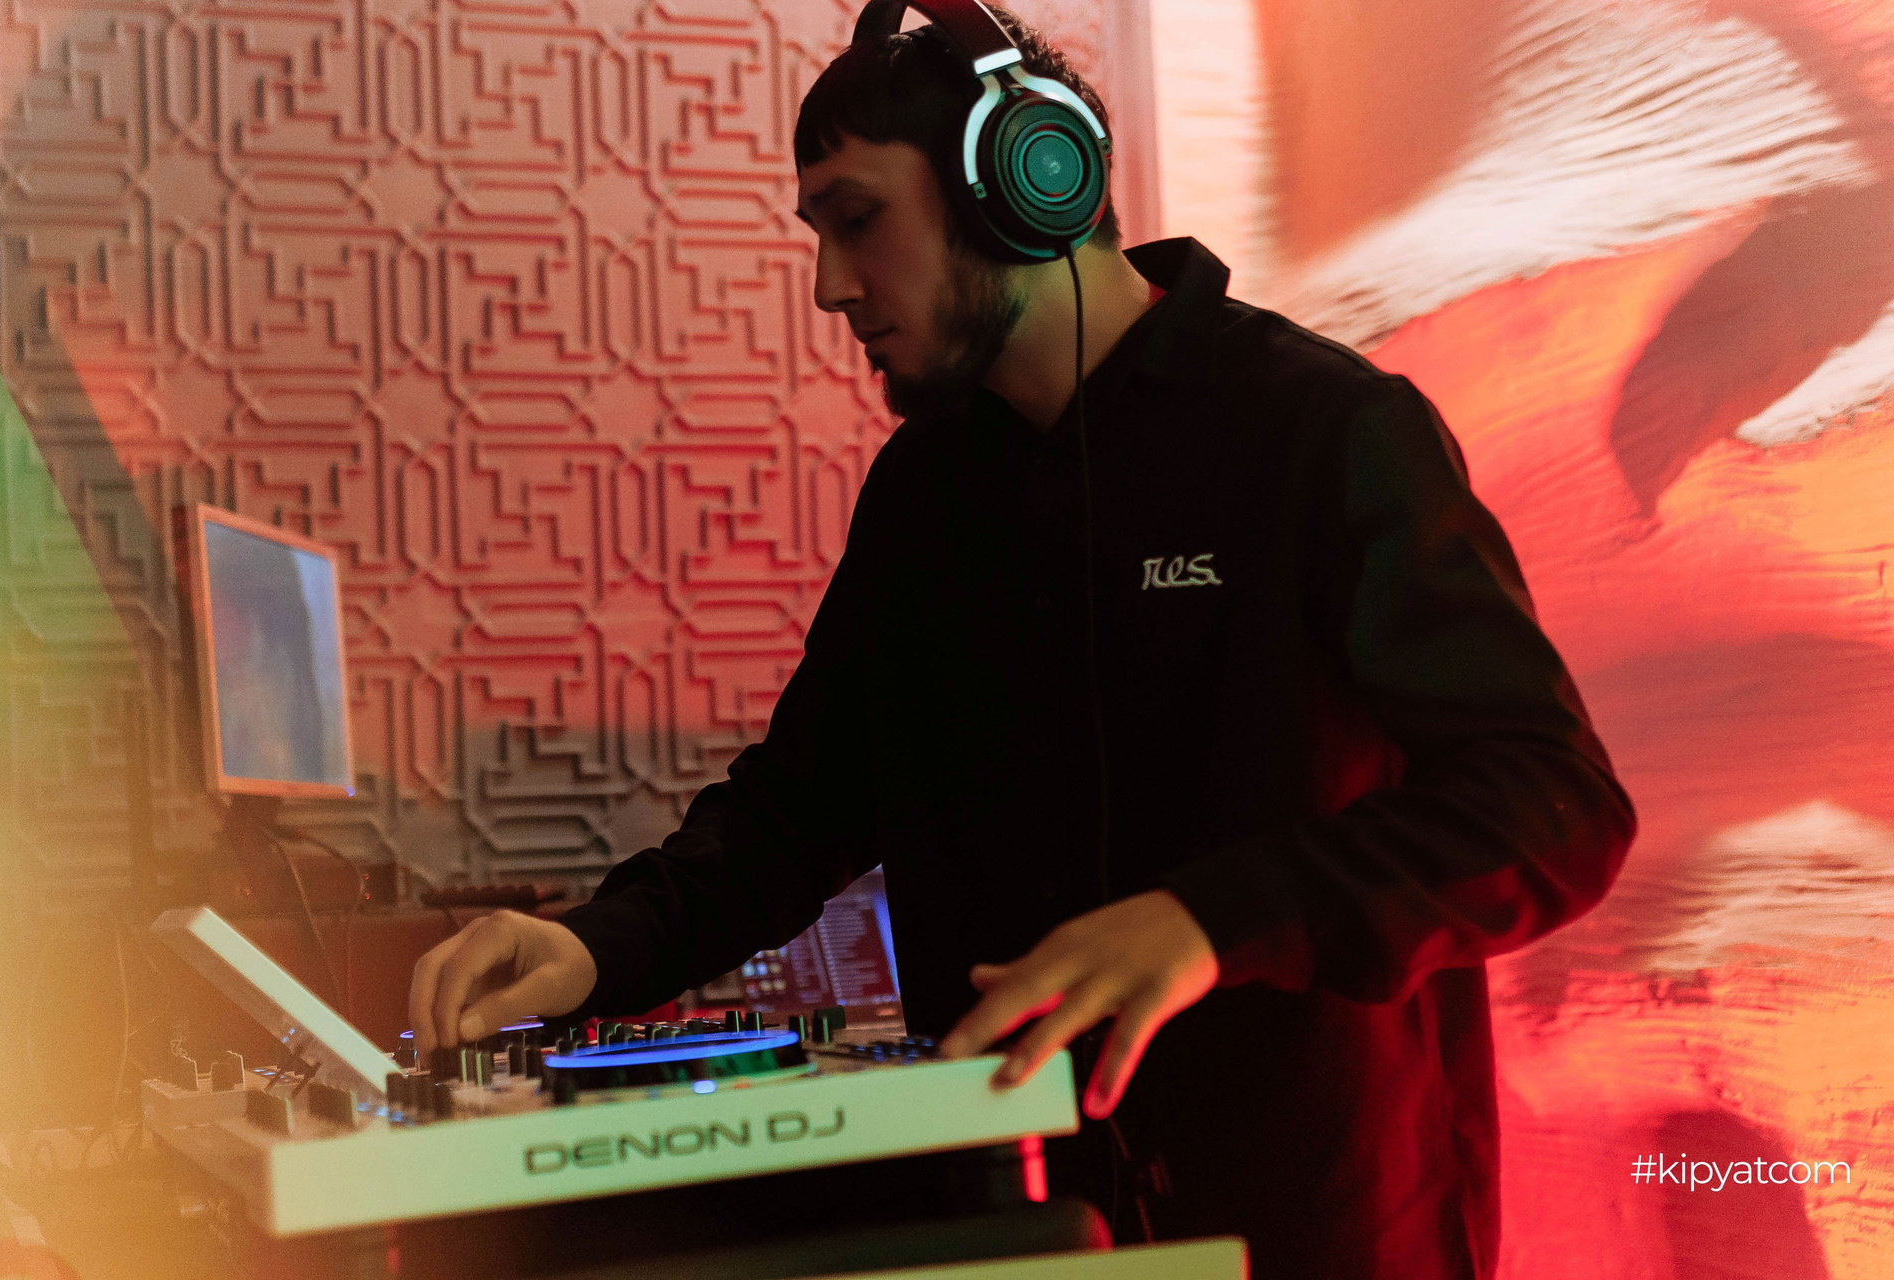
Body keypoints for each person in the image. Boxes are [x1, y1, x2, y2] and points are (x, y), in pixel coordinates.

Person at [407, 6, 1637, 1275]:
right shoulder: (925, 492)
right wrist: (594, 944)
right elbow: (797, 811)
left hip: (1320, 1217)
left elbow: (1549, 803)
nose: (830, 284)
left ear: (1025, 182)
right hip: (1024, 1209)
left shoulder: (1321, 430)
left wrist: (1207, 920)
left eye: (858, 220)